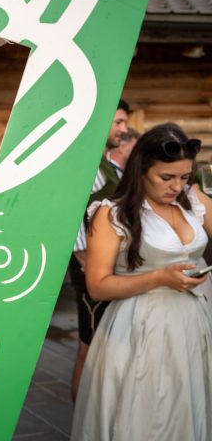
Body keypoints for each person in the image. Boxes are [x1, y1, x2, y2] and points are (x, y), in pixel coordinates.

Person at [71, 123, 212, 440]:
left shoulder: (193, 200)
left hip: (193, 321)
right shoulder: (112, 214)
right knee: (148, 413)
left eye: (185, 177)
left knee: (190, 404)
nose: (177, 186)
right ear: (142, 169)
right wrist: (159, 277)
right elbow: (97, 286)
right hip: (141, 326)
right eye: (167, 177)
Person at [68, 99, 129, 401]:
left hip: (108, 267)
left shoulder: (106, 162)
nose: (124, 129)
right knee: (89, 346)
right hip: (92, 267)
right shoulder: (85, 163)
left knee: (105, 345)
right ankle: (83, 418)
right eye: (118, 122)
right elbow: (70, 212)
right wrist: (85, 258)